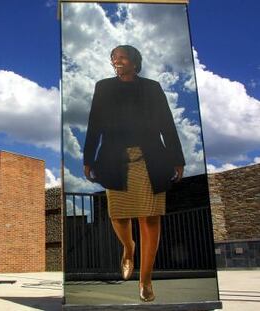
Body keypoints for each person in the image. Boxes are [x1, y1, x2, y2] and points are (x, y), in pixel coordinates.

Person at [83, 45, 185, 302]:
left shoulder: (152, 87)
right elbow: (94, 122)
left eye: (121, 57)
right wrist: (88, 157)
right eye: (113, 58)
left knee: (150, 218)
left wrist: (177, 158)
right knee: (118, 215)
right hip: (114, 158)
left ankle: (146, 279)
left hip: (149, 158)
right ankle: (129, 248)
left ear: (134, 61)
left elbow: (166, 122)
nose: (116, 61)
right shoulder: (103, 87)